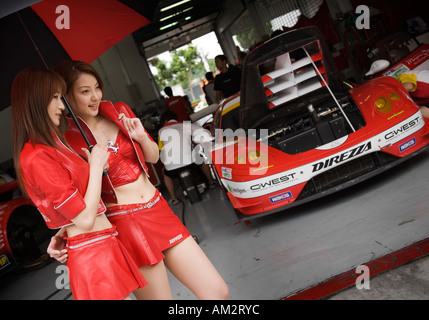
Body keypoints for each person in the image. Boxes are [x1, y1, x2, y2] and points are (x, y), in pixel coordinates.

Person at [49, 60, 229, 300]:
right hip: (125, 224)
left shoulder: (119, 111)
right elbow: (79, 197)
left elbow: (153, 157)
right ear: (67, 97)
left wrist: (141, 137)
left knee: (217, 292)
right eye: (84, 91)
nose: (94, 97)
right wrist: (64, 232)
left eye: (97, 87)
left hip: (158, 209)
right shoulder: (67, 141)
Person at [11, 67, 147, 300]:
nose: (62, 106)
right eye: (54, 97)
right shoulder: (34, 156)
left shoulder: (52, 146)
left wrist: (62, 232)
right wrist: (94, 167)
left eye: (60, 97)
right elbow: (84, 219)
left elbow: (75, 208)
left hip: (104, 244)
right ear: (35, 100)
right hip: (93, 252)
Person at [158, 110, 216, 205]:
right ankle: (211, 182)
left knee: (165, 173)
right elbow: (201, 131)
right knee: (202, 158)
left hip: (172, 168)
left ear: (165, 120)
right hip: (190, 163)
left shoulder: (161, 131)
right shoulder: (185, 125)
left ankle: (173, 198)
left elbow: (161, 149)